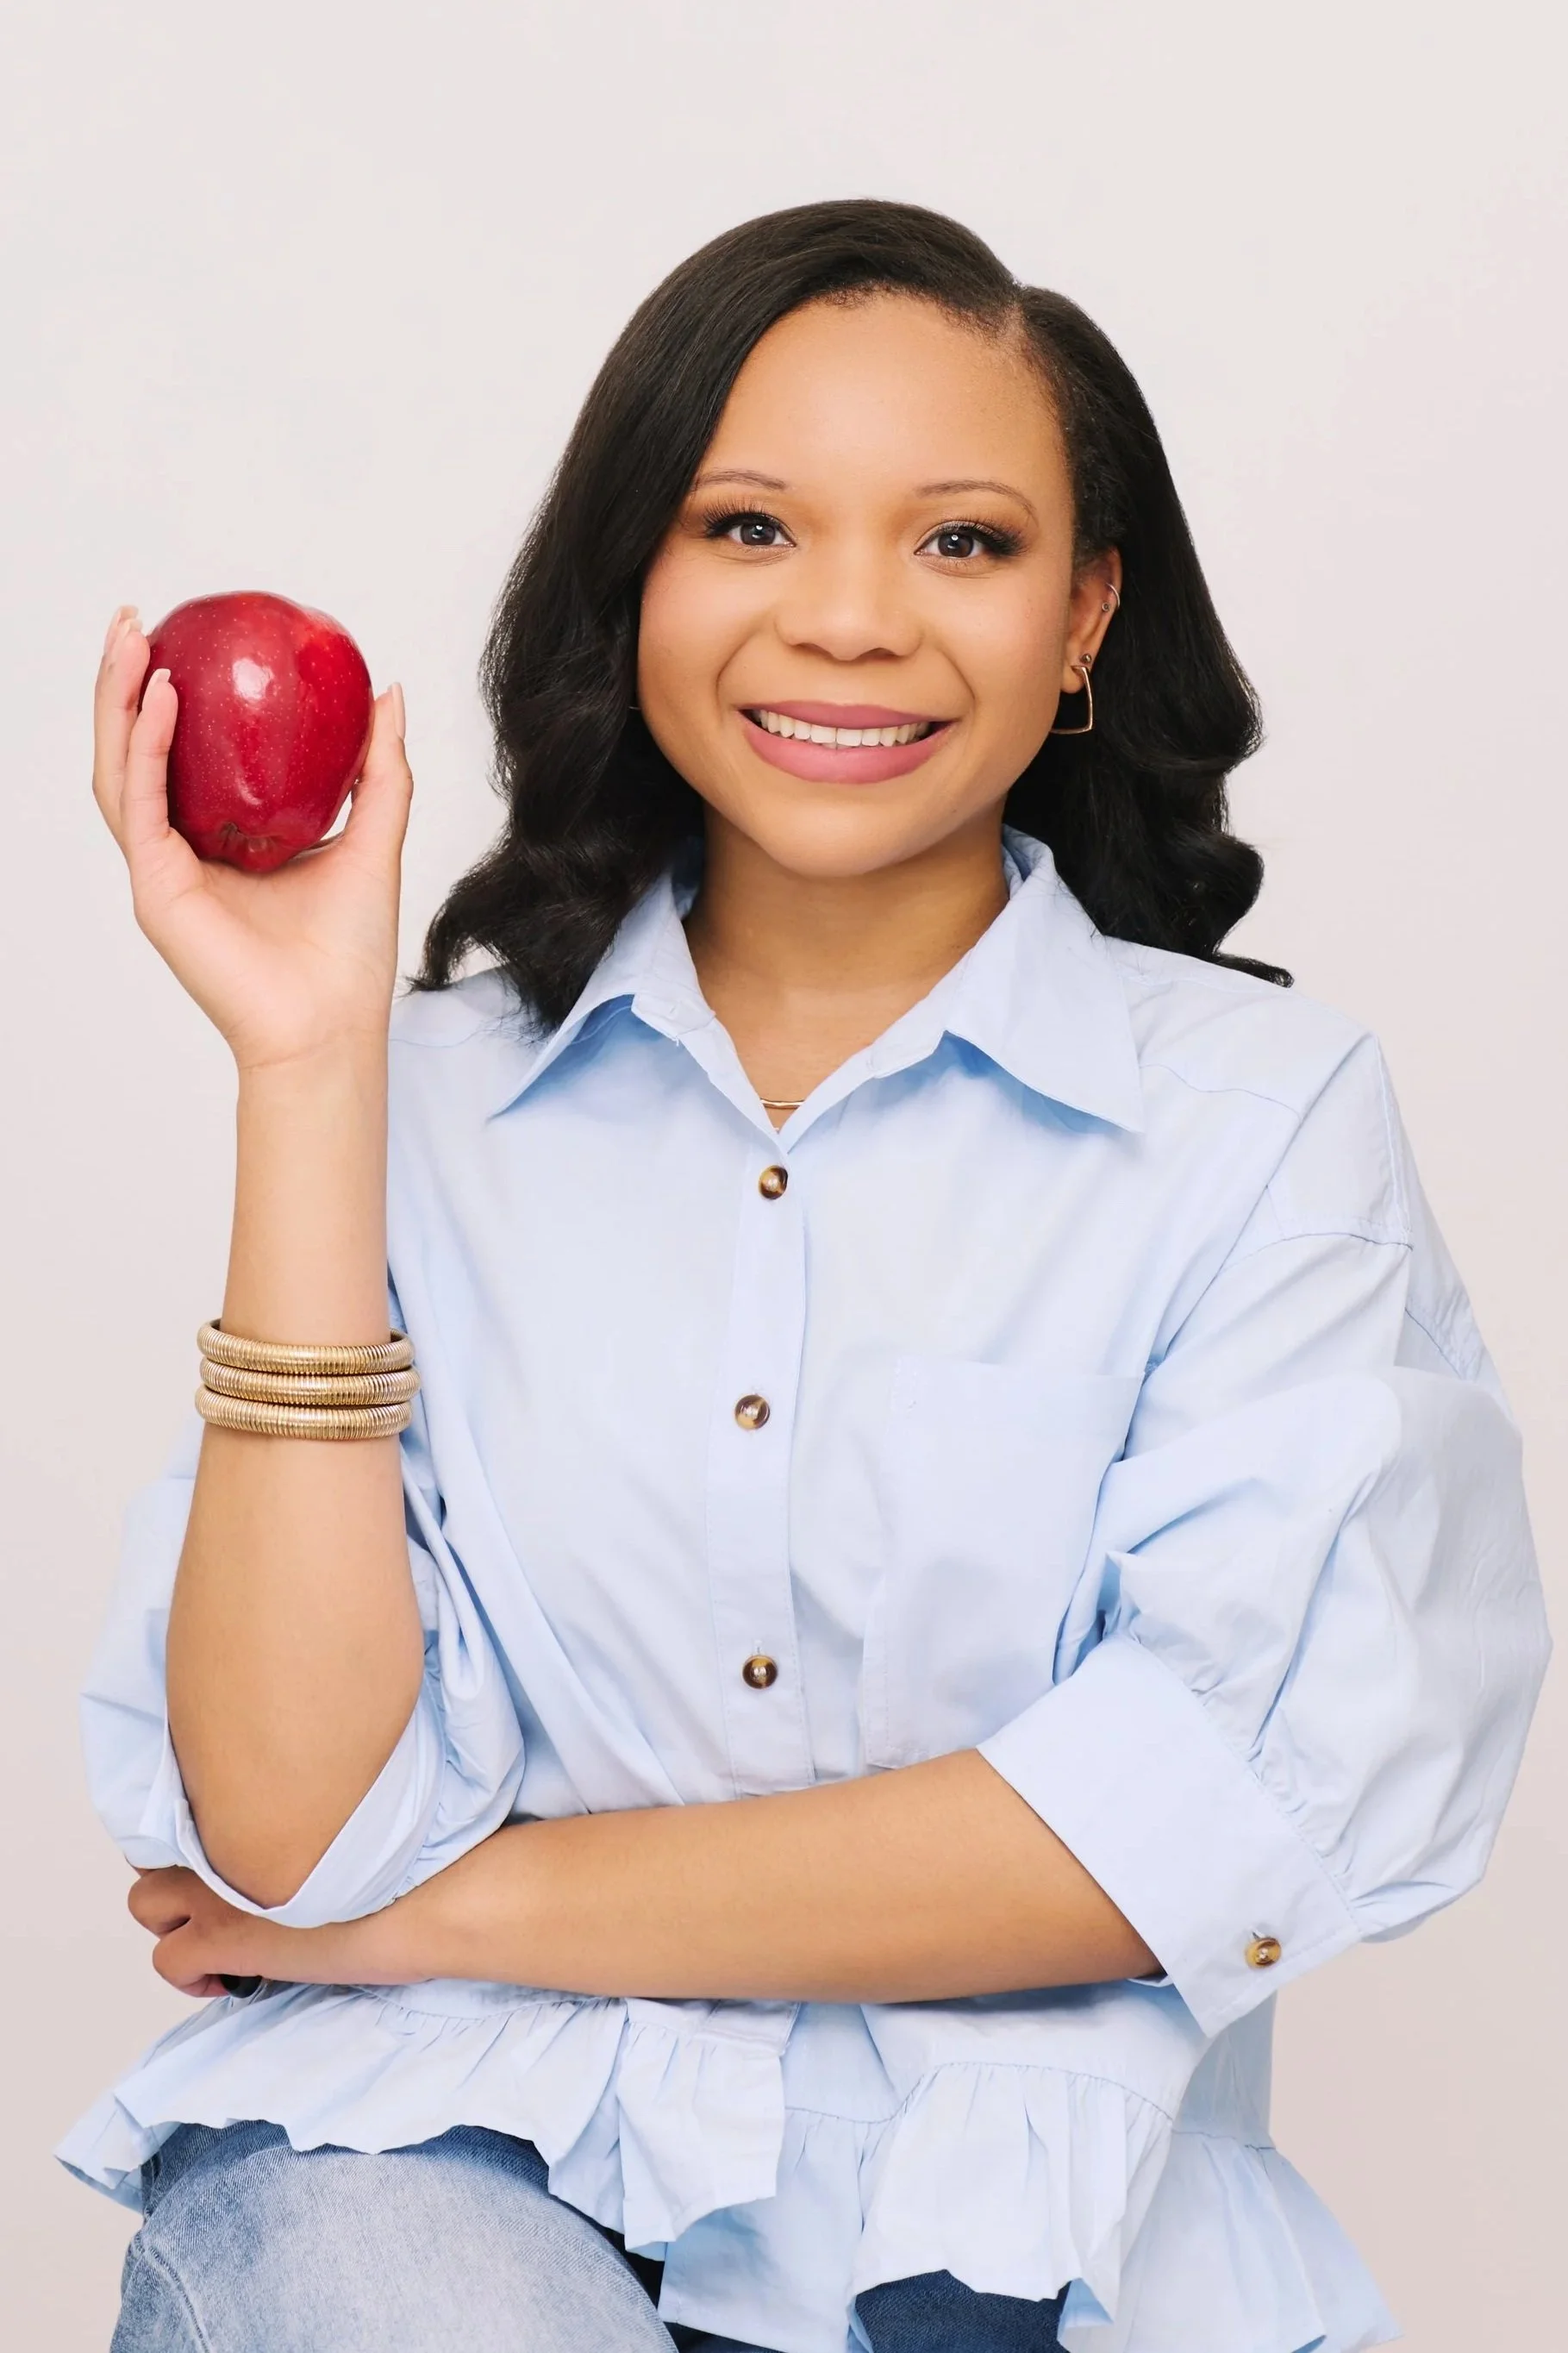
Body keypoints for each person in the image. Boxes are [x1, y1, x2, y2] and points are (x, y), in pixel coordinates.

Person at [63, 200, 1546, 2353]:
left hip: (1026, 2243)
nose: (851, 620)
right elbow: (292, 1832)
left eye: (962, 542)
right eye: (748, 526)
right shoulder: (426, 1101)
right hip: (440, 2194)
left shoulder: (1259, 1115)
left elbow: (1183, 1822)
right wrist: (309, 1069)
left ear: (1085, 618)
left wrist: (434, 1920)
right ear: (634, 590)